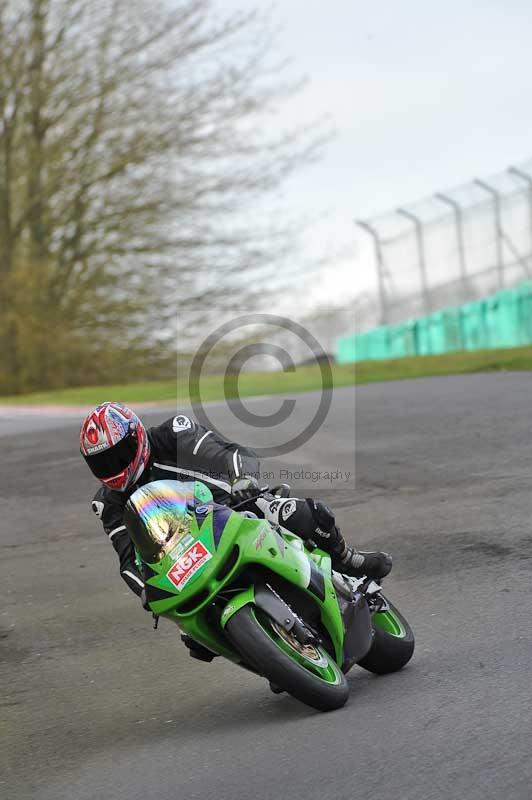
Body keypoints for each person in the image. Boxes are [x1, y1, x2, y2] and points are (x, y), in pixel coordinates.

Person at [80, 402, 392, 601]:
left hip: (235, 507)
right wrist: (146, 591)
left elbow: (230, 453)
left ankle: (346, 559)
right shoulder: (109, 503)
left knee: (296, 514)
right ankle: (267, 651)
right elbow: (128, 561)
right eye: (102, 463)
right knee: (189, 633)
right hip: (184, 552)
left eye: (119, 455)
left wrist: (243, 481)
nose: (114, 467)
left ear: (137, 436)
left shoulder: (174, 435)